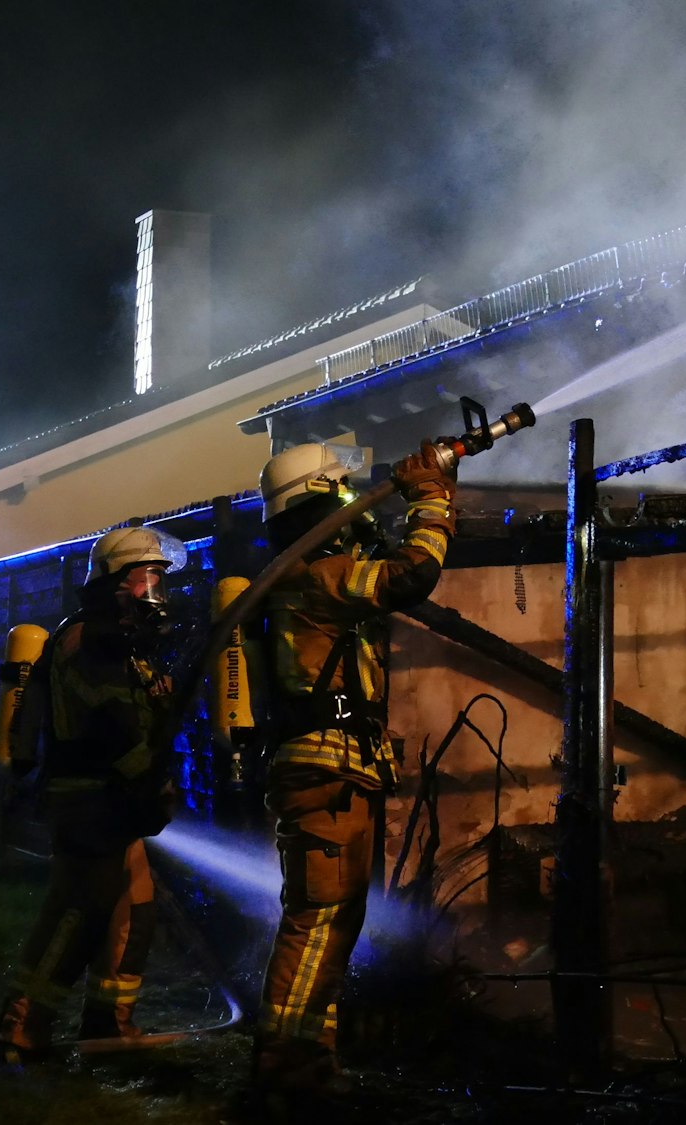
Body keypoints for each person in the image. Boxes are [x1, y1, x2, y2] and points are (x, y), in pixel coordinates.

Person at [251, 440, 455, 1097]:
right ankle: (280, 1067)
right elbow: (411, 574)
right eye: (340, 490)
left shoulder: (308, 570)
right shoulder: (318, 574)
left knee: (335, 925)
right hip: (326, 771)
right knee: (317, 923)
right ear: (320, 499)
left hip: (340, 769)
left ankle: (312, 1061)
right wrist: (431, 500)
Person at [0, 526, 183, 1060]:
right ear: (114, 581)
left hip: (119, 800)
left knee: (133, 913)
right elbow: (107, 720)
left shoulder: (123, 639)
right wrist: (148, 779)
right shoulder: (87, 638)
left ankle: (107, 1024)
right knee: (79, 914)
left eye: (159, 579)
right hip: (89, 801)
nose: (155, 589)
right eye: (147, 576)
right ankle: (20, 1027)